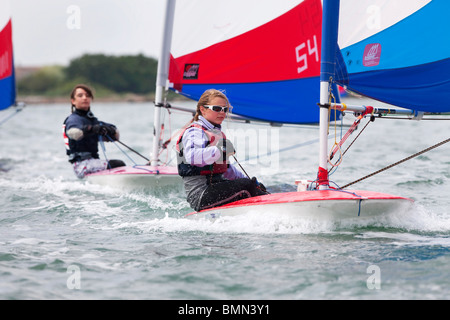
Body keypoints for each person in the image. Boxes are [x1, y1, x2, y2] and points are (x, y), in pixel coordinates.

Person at [176, 89, 267, 212]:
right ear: (203, 109)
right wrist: (219, 150)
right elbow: (192, 157)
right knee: (246, 186)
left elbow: (228, 170)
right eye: (217, 109)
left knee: (249, 184)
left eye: (225, 109)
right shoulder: (194, 132)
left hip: (216, 187)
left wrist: (253, 183)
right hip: (200, 194)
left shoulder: (216, 133)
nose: (222, 113)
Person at [63, 84, 125, 178]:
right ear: (73, 101)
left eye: (87, 95)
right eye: (80, 96)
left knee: (118, 164)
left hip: (94, 163)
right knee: (118, 164)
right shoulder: (73, 119)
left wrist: (111, 130)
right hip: (81, 166)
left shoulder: (92, 120)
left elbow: (116, 136)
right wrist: (92, 129)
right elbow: (74, 133)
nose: (85, 98)